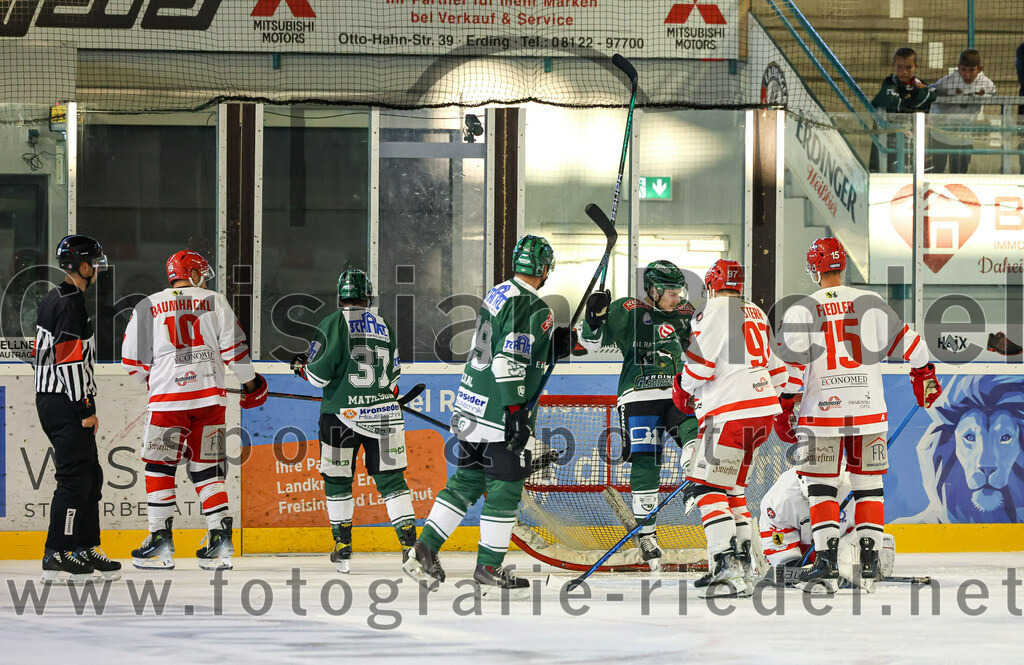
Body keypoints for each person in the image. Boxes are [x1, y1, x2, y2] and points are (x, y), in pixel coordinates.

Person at [403, 235, 574, 598]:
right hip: (498, 412)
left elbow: (507, 344)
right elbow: (507, 359)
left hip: (471, 405)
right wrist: (515, 412)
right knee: (505, 489)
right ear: (545, 269)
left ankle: (423, 550)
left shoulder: (499, 293)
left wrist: (552, 345)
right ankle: (489, 569)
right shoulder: (531, 304)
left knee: (466, 483)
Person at [775, 237, 942, 593]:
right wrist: (924, 375)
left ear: (814, 269)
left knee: (821, 488)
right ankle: (869, 563)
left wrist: (784, 407)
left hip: (822, 415)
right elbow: (915, 347)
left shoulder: (802, 309)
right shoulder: (871, 302)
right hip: (868, 411)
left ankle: (825, 562)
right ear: (843, 265)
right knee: (868, 487)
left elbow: (791, 372)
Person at [121, 250, 268, 571]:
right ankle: (220, 541)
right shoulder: (215, 301)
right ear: (194, 273)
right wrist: (252, 384)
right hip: (209, 401)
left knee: (159, 466)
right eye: (203, 274)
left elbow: (132, 363)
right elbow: (236, 353)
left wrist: (154, 378)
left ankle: (160, 541)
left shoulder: (147, 305)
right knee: (207, 468)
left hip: (167, 402)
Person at [671, 259, 788, 598]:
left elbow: (699, 368)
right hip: (762, 414)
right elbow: (779, 374)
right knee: (733, 490)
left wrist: (683, 386)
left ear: (711, 286)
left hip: (728, 414)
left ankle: (725, 568)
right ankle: (746, 566)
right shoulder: (756, 312)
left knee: (704, 487)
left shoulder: (710, 312)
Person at [290, 269, 417, 573]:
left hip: (340, 419)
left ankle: (342, 546)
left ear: (340, 296)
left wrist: (301, 368)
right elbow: (394, 379)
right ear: (368, 296)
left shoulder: (333, 323)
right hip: (385, 416)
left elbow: (318, 377)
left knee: (337, 479)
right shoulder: (384, 325)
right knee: (392, 482)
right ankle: (410, 548)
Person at [579, 260, 697, 570]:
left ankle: (694, 481)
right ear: (653, 290)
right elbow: (589, 341)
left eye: (679, 291)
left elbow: (702, 350)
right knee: (646, 463)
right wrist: (593, 317)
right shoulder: (627, 310)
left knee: (695, 433)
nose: (677, 297)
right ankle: (647, 537)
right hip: (638, 395)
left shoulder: (685, 312)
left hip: (677, 392)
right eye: (671, 292)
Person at [35, 235, 121, 584]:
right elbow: (69, 362)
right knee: (75, 479)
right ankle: (58, 550)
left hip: (59, 399)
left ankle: (84, 546)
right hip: (64, 401)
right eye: (95, 263)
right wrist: (84, 408)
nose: (98, 269)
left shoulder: (59, 296)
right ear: (83, 266)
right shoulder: (69, 303)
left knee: (90, 476)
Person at [759, 467, 896, 586]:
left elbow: (858, 531)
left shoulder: (851, 488)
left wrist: (858, 560)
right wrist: (793, 569)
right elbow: (779, 549)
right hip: (799, 550)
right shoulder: (781, 498)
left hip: (831, 550)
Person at [870, 47, 937, 172]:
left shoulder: (919, 84)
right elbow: (891, 100)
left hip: (914, 144)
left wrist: (913, 93)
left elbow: (932, 96)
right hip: (889, 143)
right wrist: (912, 101)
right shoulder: (889, 83)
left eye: (908, 67)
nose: (904, 72)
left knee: (916, 175)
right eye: (899, 67)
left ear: (916, 67)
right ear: (893, 66)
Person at [930, 49, 996, 174]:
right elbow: (929, 92)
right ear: (958, 67)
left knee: (959, 175)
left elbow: (994, 96)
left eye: (971, 70)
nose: (967, 74)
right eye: (963, 69)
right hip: (939, 134)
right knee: (935, 173)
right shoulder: (947, 82)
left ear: (979, 69)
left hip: (964, 137)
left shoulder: (987, 84)